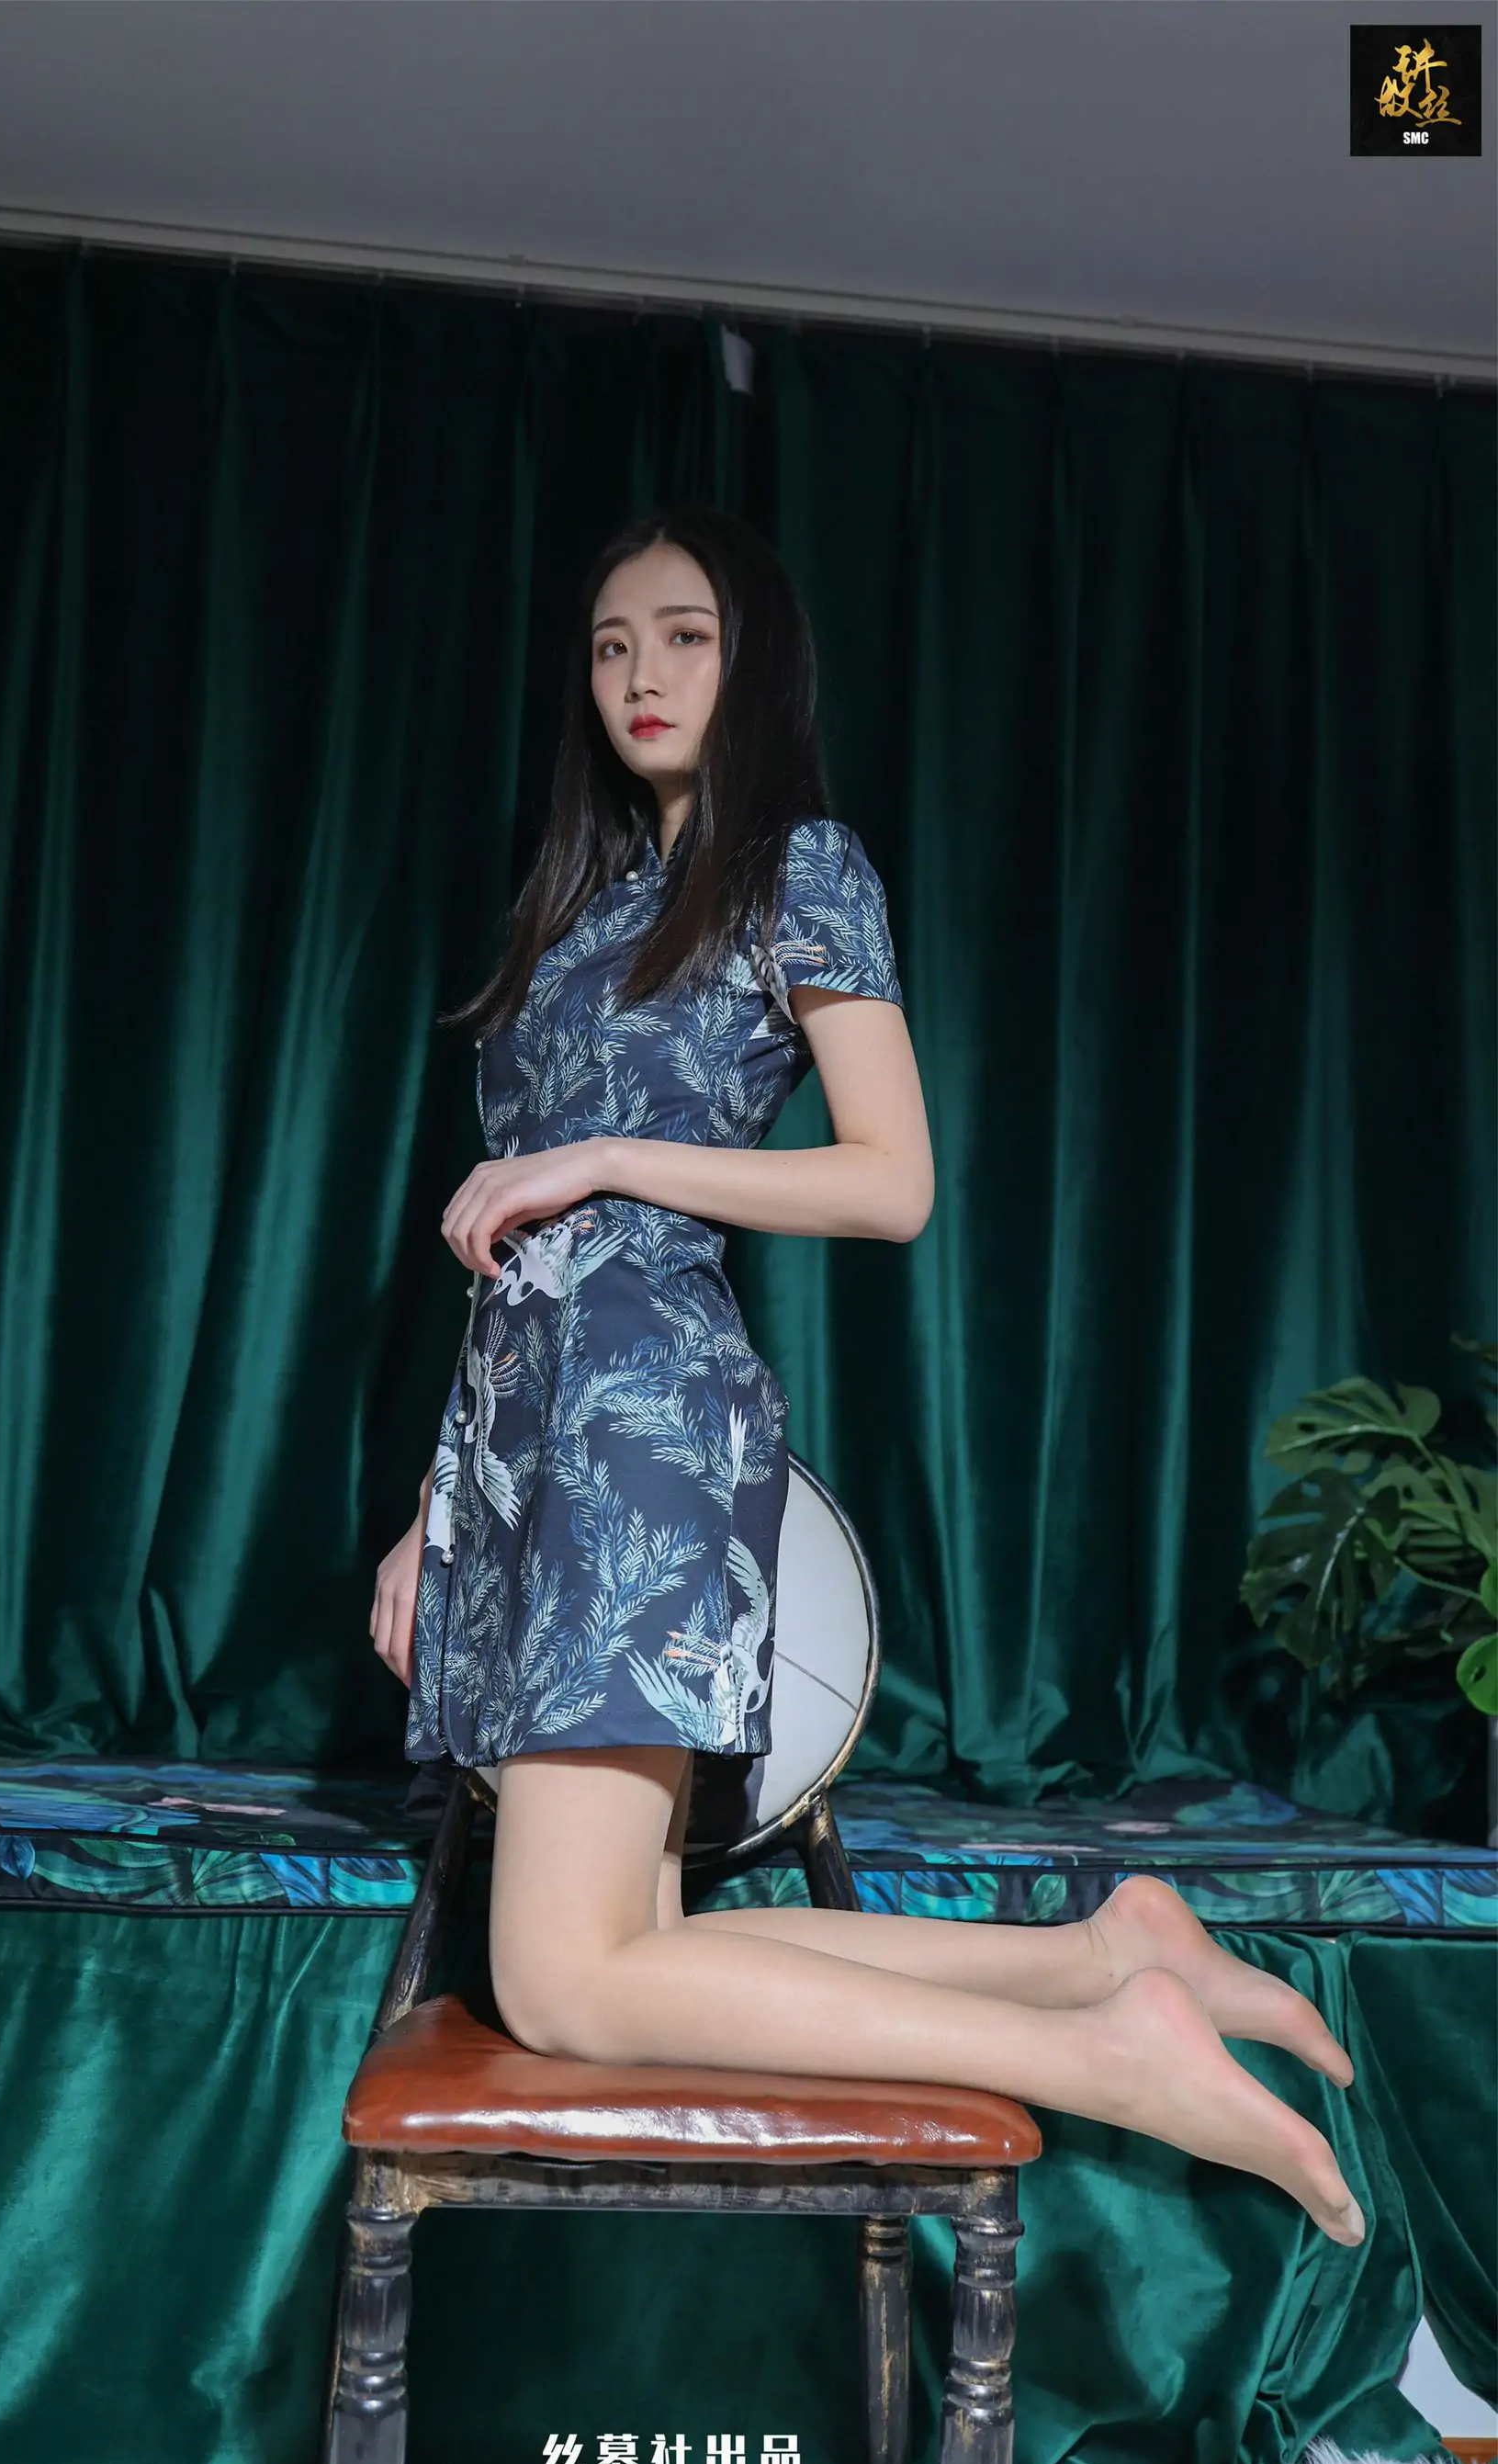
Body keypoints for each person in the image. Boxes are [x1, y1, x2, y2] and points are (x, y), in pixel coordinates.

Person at [369, 505, 1366, 2252]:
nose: (643, 675)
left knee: (565, 1983)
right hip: (534, 1432)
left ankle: (1111, 2055)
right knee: (626, 1952)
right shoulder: (579, 904)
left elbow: (892, 1182)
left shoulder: (797, 868)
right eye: (612, 645)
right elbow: (515, 1257)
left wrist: (607, 1156)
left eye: (686, 636)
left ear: (754, 657)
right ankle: (1100, 1958)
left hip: (643, 1425)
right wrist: (438, 1512)